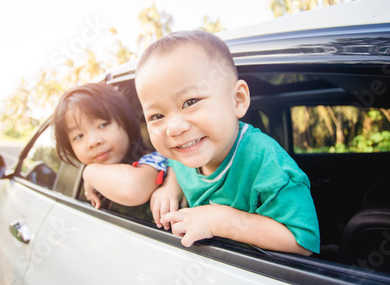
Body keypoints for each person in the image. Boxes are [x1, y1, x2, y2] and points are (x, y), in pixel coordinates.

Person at [135, 30, 320, 256]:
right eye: (156, 116)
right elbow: (177, 166)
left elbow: (303, 241)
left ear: (238, 100)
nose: (173, 128)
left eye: (190, 101)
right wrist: (169, 188)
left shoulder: (265, 161)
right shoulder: (184, 152)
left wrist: (220, 221)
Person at [52, 83, 168, 209]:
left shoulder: (156, 159)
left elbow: (133, 188)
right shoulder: (100, 180)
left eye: (102, 125)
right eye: (78, 136)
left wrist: (89, 172)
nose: (93, 141)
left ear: (126, 122)